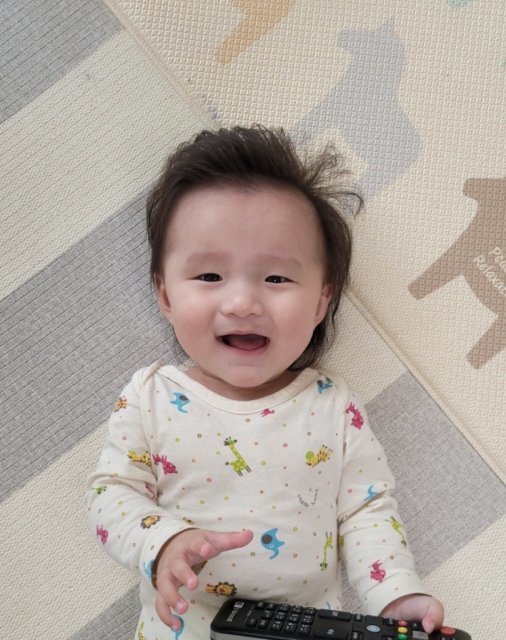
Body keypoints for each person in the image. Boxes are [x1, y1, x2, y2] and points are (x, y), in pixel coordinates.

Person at [85, 125, 444, 639]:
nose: (242, 303)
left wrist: (396, 594)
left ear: (321, 301)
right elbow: (110, 493)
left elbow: (366, 510)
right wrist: (161, 542)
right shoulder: (151, 397)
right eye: (209, 277)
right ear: (164, 295)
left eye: (276, 278)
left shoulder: (331, 406)